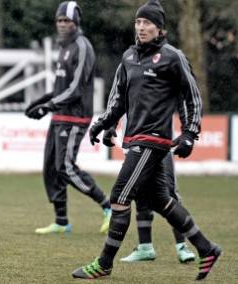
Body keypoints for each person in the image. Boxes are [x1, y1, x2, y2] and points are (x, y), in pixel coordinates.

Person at [71, 0, 221, 280]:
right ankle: (206, 248)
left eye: (147, 23)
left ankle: (104, 263)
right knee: (161, 200)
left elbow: (192, 95)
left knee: (119, 197)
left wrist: (190, 132)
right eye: (138, 22)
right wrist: (103, 124)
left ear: (159, 28)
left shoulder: (172, 57)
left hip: (153, 140)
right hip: (134, 138)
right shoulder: (129, 57)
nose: (141, 27)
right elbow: (118, 99)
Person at [25, 1, 111, 235]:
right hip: (59, 115)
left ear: (76, 23)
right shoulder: (64, 47)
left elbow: (75, 89)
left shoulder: (83, 47)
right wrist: (41, 101)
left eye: (67, 21)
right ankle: (61, 221)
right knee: (50, 168)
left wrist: (48, 106)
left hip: (75, 117)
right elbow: (61, 85)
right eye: (59, 21)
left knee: (65, 166)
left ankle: (108, 206)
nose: (62, 25)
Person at [102, 124, 195, 263]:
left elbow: (184, 104)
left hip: (159, 142)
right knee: (140, 193)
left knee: (168, 192)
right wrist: (111, 123)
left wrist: (188, 134)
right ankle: (145, 247)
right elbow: (119, 103)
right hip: (134, 144)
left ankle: (182, 246)